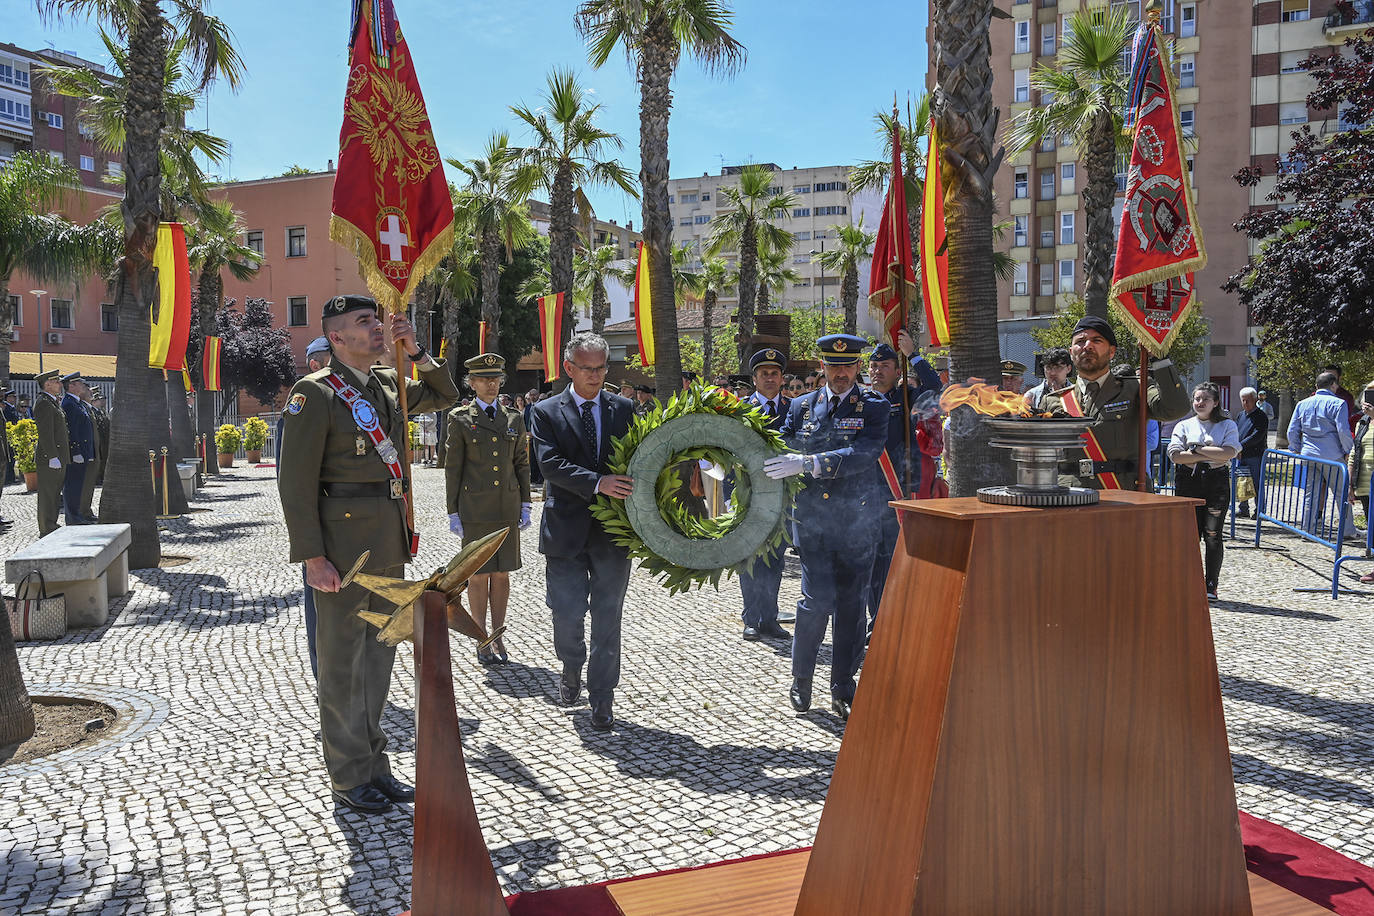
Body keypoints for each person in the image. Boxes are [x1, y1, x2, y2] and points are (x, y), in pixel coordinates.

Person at [278, 295, 459, 814]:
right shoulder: (313, 395)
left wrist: (417, 351)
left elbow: (444, 395)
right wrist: (312, 557)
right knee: (341, 667)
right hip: (342, 552)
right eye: (364, 322)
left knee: (378, 661)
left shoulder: (387, 385)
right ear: (336, 337)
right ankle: (348, 775)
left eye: (377, 320)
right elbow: (296, 484)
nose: (378, 327)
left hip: (388, 545)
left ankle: (376, 766)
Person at [765, 334, 889, 720]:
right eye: (833, 366)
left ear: (857, 368)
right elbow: (783, 445)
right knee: (815, 600)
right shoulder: (802, 406)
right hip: (814, 523)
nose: (840, 373)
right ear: (823, 366)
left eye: (848, 366)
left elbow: (864, 453)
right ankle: (801, 678)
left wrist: (809, 463)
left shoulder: (874, 405)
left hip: (857, 521)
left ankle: (842, 685)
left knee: (852, 608)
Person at [528, 332, 635, 731]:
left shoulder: (624, 409)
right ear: (569, 368)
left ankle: (602, 698)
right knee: (567, 613)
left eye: (601, 368)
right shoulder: (545, 411)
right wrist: (598, 482)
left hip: (612, 533)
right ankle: (571, 664)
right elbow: (549, 465)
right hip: (565, 530)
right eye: (587, 369)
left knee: (609, 618)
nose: (595, 376)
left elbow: (640, 458)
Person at [445, 352, 532, 666]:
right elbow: (453, 468)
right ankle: (480, 635)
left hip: (506, 506)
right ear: (472, 383)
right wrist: (452, 511)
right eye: (483, 379)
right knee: (479, 574)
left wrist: (525, 502)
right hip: (476, 507)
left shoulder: (514, 419)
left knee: (502, 573)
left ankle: (499, 633)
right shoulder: (459, 419)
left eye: (495, 378)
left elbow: (521, 463)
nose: (490, 384)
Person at [1042, 315, 1191, 489]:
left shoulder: (1136, 388)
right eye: (1080, 341)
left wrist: (1159, 358)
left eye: (1096, 340)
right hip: (1069, 497)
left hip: (1123, 495)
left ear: (1111, 352)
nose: (1087, 346)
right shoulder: (1053, 401)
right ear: (1071, 352)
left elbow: (1175, 409)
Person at [864, 330, 943, 630]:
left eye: (884, 365)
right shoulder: (860, 401)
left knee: (894, 560)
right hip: (866, 495)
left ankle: (894, 619)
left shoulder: (906, 398)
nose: (877, 370)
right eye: (873, 366)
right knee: (870, 563)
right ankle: (875, 622)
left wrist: (914, 355)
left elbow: (935, 388)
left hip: (897, 493)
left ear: (898, 372)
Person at [279, 335, 332, 681]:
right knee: (321, 611)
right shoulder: (303, 401)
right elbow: (292, 483)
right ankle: (325, 679)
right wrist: (309, 547)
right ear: (315, 364)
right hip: (323, 526)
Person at [737, 348, 792, 643]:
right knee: (750, 559)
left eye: (774, 373)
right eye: (764, 374)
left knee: (775, 559)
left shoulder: (795, 408)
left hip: (783, 498)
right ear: (755, 379)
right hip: (749, 496)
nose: (769, 378)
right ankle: (752, 619)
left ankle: (770, 618)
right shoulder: (739, 410)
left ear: (782, 378)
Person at [1168, 383, 1241, 599]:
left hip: (1216, 482)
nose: (1200, 403)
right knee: (1188, 536)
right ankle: (1186, 582)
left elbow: (1229, 453)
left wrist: (1196, 449)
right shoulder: (1183, 425)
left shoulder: (1227, 425)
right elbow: (1175, 455)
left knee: (1213, 534)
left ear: (1215, 402)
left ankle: (1211, 584)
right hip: (1188, 481)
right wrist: (1210, 453)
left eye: (1205, 399)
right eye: (1197, 399)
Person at [1288, 371, 1355, 537]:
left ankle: (1308, 529)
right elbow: (1343, 431)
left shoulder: (1302, 404)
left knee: (1311, 493)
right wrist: (1348, 450)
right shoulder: (1339, 403)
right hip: (1332, 455)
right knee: (1341, 492)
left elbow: (1292, 430)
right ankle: (1347, 530)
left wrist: (1296, 448)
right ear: (1333, 385)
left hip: (1308, 454)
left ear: (1316, 386)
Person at [33, 369, 70, 537]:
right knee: (48, 494)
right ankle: (46, 527)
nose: (60, 384)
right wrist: (52, 456)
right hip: (50, 457)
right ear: (47, 384)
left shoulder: (52, 402)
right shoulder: (44, 403)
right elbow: (45, 433)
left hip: (58, 456)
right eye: (56, 381)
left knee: (55, 493)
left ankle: (51, 524)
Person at [60, 371, 96, 525]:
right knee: (72, 485)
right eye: (79, 383)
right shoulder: (68, 403)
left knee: (78, 485)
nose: (82, 386)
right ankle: (72, 517)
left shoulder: (76, 403)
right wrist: (75, 451)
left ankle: (76, 515)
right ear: (71, 386)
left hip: (83, 450)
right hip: (77, 452)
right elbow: (71, 430)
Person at [1347, 381, 1374, 583]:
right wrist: (1349, 483)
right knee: (1372, 527)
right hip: (1364, 484)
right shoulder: (1362, 422)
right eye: (1367, 395)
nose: (1368, 400)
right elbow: (1354, 453)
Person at [1234, 387, 1269, 518]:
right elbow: (1236, 432)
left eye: (1247, 400)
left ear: (1255, 400)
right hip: (1241, 454)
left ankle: (1260, 510)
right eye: (1243, 400)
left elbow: (1257, 435)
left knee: (1256, 483)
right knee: (1242, 482)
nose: (1245, 403)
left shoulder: (1261, 416)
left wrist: (1240, 446)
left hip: (1255, 454)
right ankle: (1243, 508)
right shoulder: (1240, 415)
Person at [1323, 364, 1360, 434]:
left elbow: (1345, 422)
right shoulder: (1314, 396)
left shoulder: (1346, 397)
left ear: (1339, 378)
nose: (1328, 379)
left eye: (1332, 376)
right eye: (1326, 376)